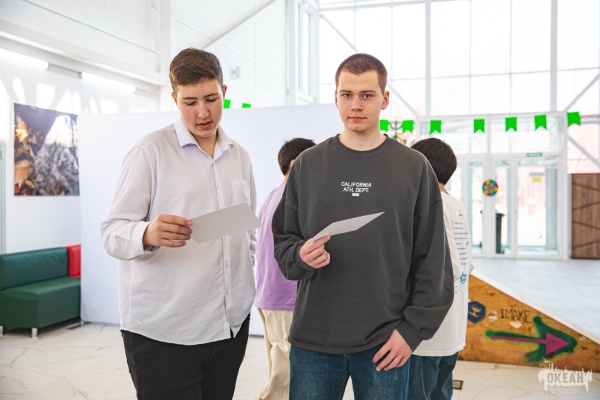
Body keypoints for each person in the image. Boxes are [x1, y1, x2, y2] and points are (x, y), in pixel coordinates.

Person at [272, 53, 454, 400]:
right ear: (335, 97)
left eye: (367, 95)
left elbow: (434, 261)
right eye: (347, 95)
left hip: (386, 341)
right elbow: (283, 242)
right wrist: (300, 256)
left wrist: (412, 331)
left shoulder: (414, 168)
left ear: (384, 99)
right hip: (313, 340)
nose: (356, 105)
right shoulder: (308, 165)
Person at [101, 48, 256, 400]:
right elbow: (111, 232)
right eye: (190, 102)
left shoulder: (240, 156)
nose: (202, 112)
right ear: (174, 99)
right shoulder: (149, 152)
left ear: (224, 92)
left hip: (230, 325)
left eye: (211, 99)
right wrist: (147, 232)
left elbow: (245, 229)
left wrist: (246, 279)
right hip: (165, 332)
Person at [408, 138, 474, 400]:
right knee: (440, 392)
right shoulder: (454, 203)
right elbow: (466, 264)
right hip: (453, 326)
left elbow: (438, 268)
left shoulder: (431, 205)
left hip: (429, 331)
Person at [255, 138, 316, 400]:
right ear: (294, 164)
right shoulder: (293, 198)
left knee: (279, 363)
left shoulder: (272, 195)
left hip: (269, 294)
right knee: (285, 372)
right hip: (285, 296)